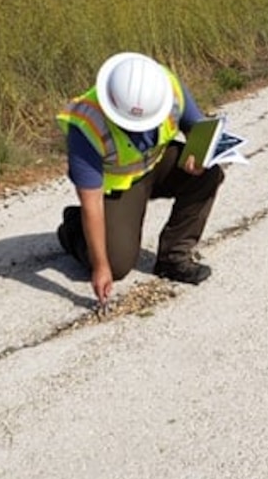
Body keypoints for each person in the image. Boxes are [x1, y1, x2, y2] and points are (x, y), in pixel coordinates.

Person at [56, 52, 225, 305]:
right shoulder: (86, 126)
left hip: (156, 164)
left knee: (210, 174)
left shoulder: (167, 89)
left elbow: (196, 127)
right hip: (118, 188)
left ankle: (173, 258)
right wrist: (100, 266)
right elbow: (91, 201)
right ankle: (73, 228)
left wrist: (201, 153)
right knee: (117, 265)